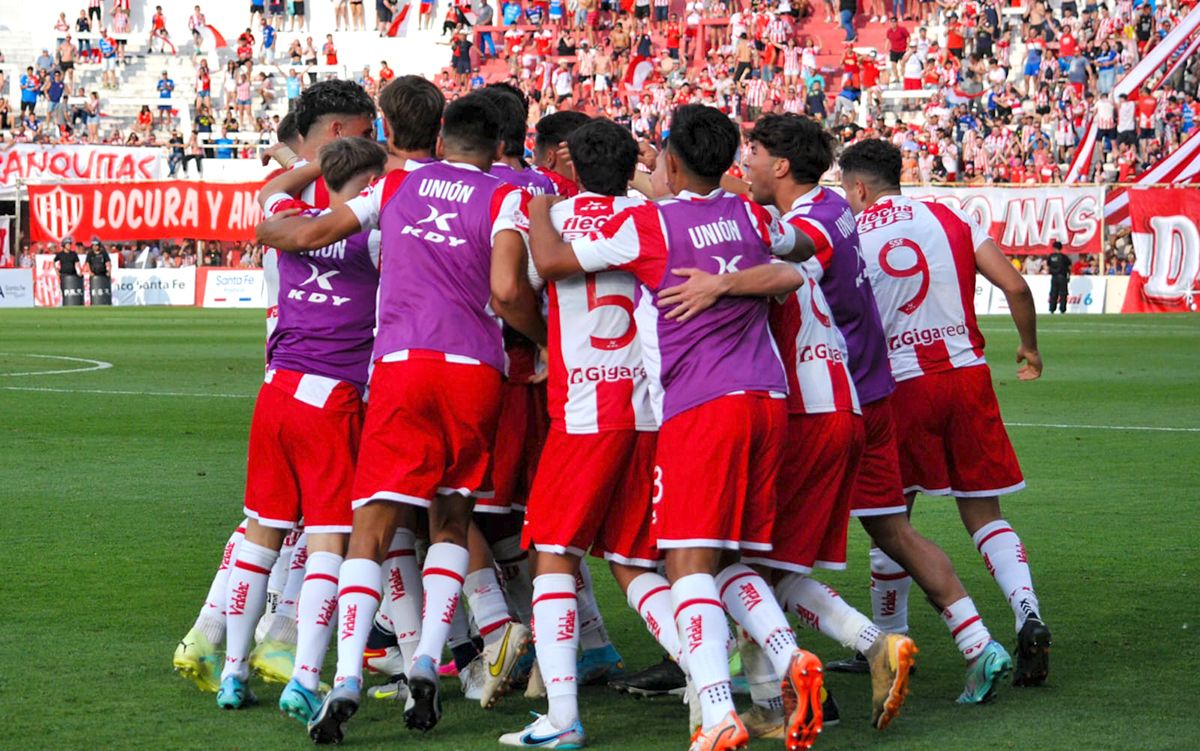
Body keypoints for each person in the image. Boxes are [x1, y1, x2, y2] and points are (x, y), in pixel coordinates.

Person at [525, 104, 821, 751]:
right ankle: (781, 660)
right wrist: (733, 277)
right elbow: (802, 256)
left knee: (678, 562)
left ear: (675, 162)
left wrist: (538, 204)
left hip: (680, 406)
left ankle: (711, 709)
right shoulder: (751, 213)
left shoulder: (648, 223)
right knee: (707, 558)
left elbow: (545, 266)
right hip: (758, 400)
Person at [256, 92, 545, 745]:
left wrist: (268, 228)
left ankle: (347, 677)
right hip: (473, 370)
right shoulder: (506, 198)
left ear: (442, 137)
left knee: (375, 524)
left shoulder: (395, 186)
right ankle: (425, 658)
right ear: (498, 145)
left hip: (400, 367)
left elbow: (314, 231)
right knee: (450, 515)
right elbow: (506, 290)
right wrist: (543, 335)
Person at [840, 138, 1052, 691]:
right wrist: (1029, 347)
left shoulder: (853, 233)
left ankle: (891, 641)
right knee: (985, 513)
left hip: (901, 386)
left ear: (859, 187)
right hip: (967, 375)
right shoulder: (948, 216)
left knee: (892, 520)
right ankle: (1028, 612)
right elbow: (1016, 286)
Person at [497, 119, 664, 749]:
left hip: (584, 412)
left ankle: (561, 717)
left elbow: (510, 289)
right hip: (646, 410)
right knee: (633, 560)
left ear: (567, 163)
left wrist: (545, 345)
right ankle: (714, 685)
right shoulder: (653, 216)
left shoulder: (552, 216)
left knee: (552, 558)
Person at [211, 136, 387, 716]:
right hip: (333, 400)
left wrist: (310, 165)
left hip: (276, 393)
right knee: (328, 543)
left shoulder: (290, 218)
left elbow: (269, 192)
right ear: (367, 187)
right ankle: (305, 676)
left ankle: (234, 673)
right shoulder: (375, 237)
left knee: (261, 537)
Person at [54, 239, 82, 305]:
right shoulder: (60, 254)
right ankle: (65, 303)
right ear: (64, 245)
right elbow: (54, 261)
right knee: (65, 291)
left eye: (70, 244)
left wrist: (79, 271)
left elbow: (77, 263)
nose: (69, 245)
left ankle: (74, 303)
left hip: (73, 275)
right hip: (64, 275)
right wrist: (56, 271)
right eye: (67, 244)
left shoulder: (73, 254)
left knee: (73, 291)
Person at [85, 238, 112, 304]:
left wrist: (109, 271)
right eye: (94, 245)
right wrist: (90, 272)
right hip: (94, 274)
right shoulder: (90, 254)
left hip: (103, 274)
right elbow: (87, 263)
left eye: (96, 245)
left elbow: (108, 262)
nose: (95, 247)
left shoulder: (103, 253)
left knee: (104, 290)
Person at [1046, 240, 1070, 313]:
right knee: (1063, 294)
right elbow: (1069, 266)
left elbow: (1048, 266)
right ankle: (1062, 309)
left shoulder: (1051, 256)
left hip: (1054, 277)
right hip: (1062, 276)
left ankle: (1052, 309)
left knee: (1053, 293)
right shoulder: (1064, 257)